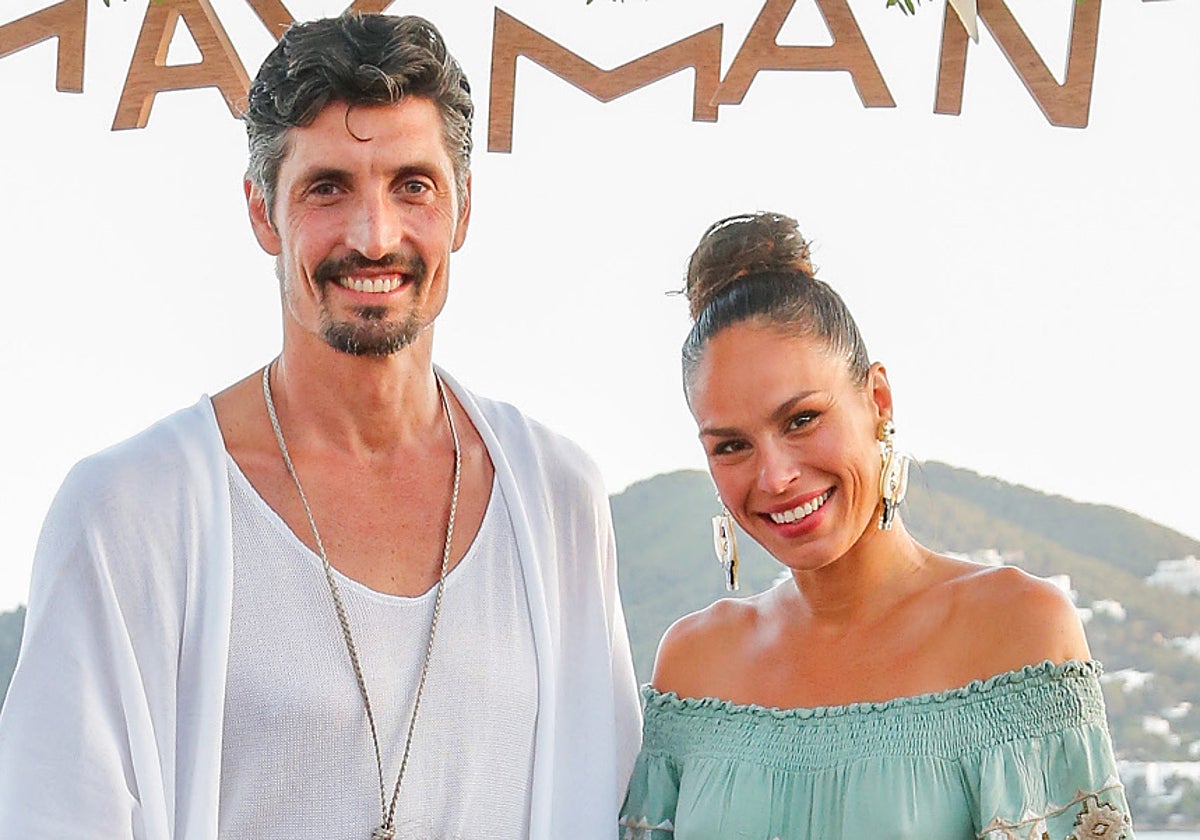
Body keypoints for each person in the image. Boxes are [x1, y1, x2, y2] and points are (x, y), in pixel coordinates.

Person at [0, 14, 640, 839]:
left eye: (413, 186)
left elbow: (607, 797)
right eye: (328, 188)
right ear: (262, 212)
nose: (374, 236)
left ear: (463, 209)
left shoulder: (557, 499)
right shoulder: (130, 510)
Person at [619, 212, 1134, 839]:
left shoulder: (1018, 630)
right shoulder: (694, 667)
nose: (775, 477)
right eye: (732, 446)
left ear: (878, 401)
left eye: (802, 420)